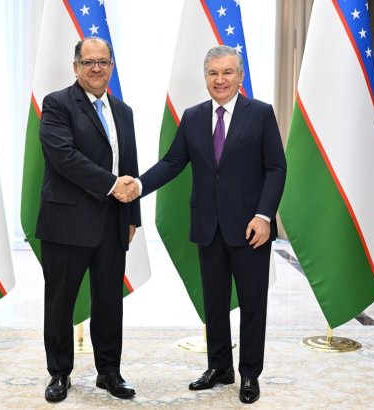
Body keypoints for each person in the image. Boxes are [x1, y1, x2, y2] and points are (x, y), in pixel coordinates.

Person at [119, 45, 286, 404]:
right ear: (205, 77)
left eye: (227, 72)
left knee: (253, 304)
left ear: (240, 76)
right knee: (214, 302)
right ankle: (219, 367)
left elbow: (276, 167)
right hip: (208, 225)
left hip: (251, 229)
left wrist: (264, 216)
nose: (220, 80)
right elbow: (172, 163)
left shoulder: (260, 113)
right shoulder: (193, 116)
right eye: (213, 73)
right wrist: (139, 186)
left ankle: (249, 374)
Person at [36, 36, 141, 403]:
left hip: (113, 222)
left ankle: (109, 372)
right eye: (89, 62)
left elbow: (130, 166)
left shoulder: (124, 111)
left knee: (110, 302)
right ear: (76, 66)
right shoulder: (57, 104)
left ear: (111, 66)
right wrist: (112, 185)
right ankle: (59, 372)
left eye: (103, 62)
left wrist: (132, 216)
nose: (96, 68)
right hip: (67, 222)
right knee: (60, 302)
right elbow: (63, 157)